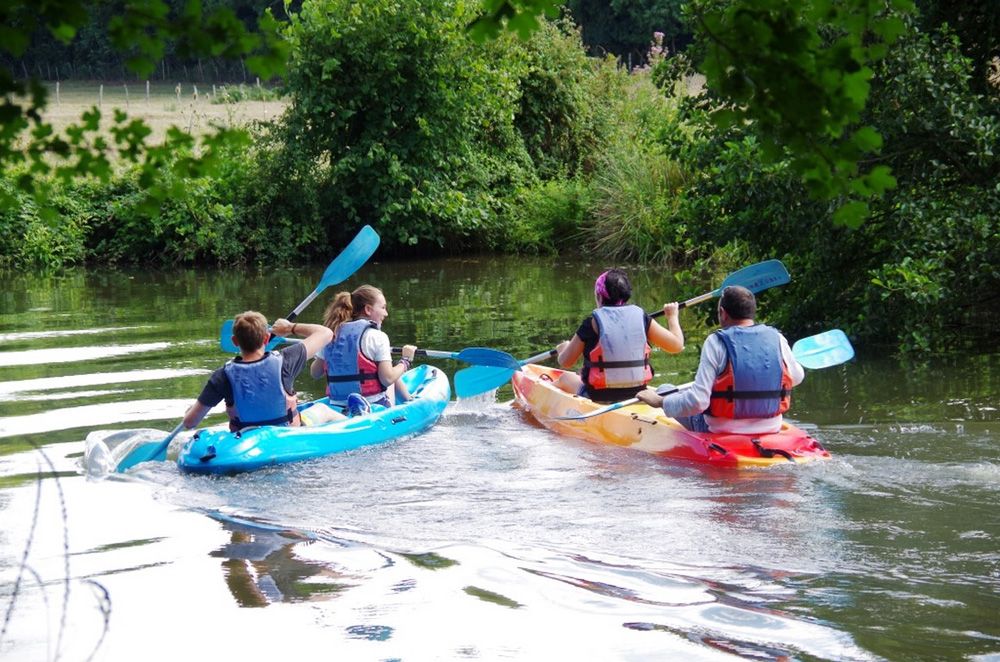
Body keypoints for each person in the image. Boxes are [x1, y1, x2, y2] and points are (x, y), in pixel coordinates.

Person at [636, 285, 804, 434]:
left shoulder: (717, 341)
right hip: (771, 427)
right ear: (752, 312)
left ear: (723, 313)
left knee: (665, 388)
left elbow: (698, 402)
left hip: (721, 429)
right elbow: (796, 378)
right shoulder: (777, 338)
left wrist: (660, 401)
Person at [182, 311, 333, 432]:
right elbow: (326, 333)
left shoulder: (222, 376)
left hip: (244, 439)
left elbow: (190, 423)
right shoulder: (286, 360)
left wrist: (190, 412)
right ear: (267, 339)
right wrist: (290, 327)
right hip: (288, 435)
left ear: (235, 341)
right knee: (323, 409)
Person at [553, 268, 684, 404]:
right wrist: (672, 317)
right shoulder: (642, 318)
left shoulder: (591, 323)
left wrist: (562, 348)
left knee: (565, 378)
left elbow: (566, 362)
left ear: (599, 296)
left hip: (598, 397)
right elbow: (677, 346)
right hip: (638, 395)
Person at [309, 284, 416, 415]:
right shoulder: (378, 336)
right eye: (383, 308)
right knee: (391, 374)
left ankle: (409, 400)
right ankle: (411, 404)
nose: (386, 313)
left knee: (388, 369)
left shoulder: (332, 333)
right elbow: (387, 379)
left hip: (336, 405)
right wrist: (406, 361)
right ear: (368, 309)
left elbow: (315, 372)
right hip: (374, 405)